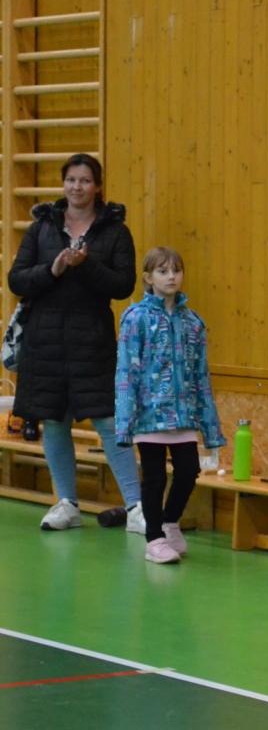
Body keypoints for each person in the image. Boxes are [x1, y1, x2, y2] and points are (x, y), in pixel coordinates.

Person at [6, 153, 143, 534]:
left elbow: (123, 285)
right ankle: (66, 502)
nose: (77, 187)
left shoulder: (115, 231)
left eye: (85, 180)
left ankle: (136, 506)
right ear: (63, 183)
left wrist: (87, 265)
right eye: (71, 180)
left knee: (109, 420)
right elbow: (16, 279)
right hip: (45, 340)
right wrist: (53, 269)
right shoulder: (42, 227)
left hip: (93, 340)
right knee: (53, 420)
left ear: (97, 187)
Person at [114, 247, 225, 564]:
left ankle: (169, 521)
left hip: (184, 414)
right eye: (163, 271)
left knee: (189, 470)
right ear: (148, 278)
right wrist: (126, 420)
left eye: (176, 270)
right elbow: (126, 371)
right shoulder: (136, 318)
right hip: (149, 415)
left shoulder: (193, 322)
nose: (171, 277)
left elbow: (201, 374)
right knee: (154, 477)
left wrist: (209, 424)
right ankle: (154, 539)